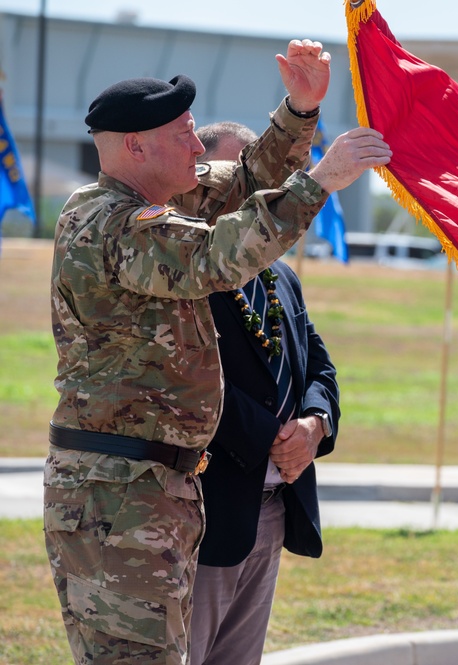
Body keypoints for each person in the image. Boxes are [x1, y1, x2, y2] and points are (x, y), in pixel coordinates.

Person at [44, 39, 391, 664]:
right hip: (116, 496)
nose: (200, 148)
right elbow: (218, 255)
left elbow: (253, 180)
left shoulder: (154, 200)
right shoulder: (108, 223)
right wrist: (322, 182)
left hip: (154, 487)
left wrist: (300, 110)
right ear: (136, 147)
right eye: (185, 135)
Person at [185, 122, 338, 665]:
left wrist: (314, 426)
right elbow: (190, 383)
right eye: (239, 183)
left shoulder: (279, 276)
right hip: (207, 508)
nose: (259, 197)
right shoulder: (187, 272)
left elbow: (318, 366)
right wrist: (275, 437)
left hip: (270, 507)